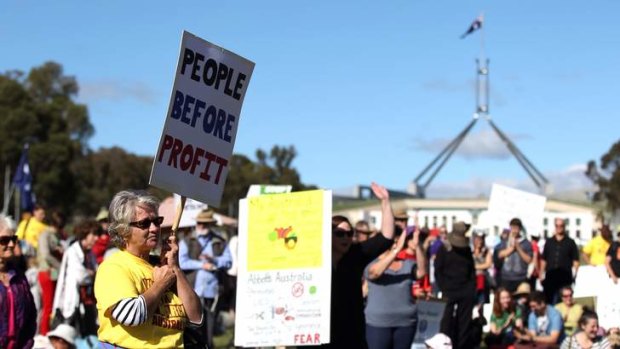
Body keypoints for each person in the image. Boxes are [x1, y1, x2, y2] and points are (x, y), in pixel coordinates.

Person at [94, 190, 202, 348]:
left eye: (157, 221)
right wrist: (161, 284)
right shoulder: (114, 267)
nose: (154, 228)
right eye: (144, 223)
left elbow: (196, 317)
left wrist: (175, 268)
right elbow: (131, 316)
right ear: (123, 230)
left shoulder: (163, 266)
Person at [307, 182, 394, 349]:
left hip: (352, 334)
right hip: (320, 334)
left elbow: (386, 237)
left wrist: (385, 201)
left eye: (349, 233)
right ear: (327, 235)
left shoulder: (356, 254)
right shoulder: (313, 257)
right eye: (339, 234)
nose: (345, 238)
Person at [364, 224, 426, 349]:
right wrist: (396, 250)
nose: (396, 243)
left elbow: (421, 272)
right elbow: (374, 273)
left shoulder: (407, 264)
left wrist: (417, 245)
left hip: (406, 323)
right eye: (393, 241)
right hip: (378, 324)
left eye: (398, 241)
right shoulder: (372, 262)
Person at [179, 208, 232, 349]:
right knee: (192, 328)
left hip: (213, 293)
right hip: (191, 291)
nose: (201, 226)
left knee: (210, 327)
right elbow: (182, 262)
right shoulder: (187, 241)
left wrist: (214, 260)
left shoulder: (219, 241)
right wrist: (203, 265)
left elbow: (228, 262)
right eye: (200, 223)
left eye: (205, 224)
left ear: (210, 225)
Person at [435, 221, 476, 349]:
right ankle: (445, 345)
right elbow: (438, 270)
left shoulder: (466, 249)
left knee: (464, 321)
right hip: (449, 289)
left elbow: (471, 269)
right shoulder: (444, 248)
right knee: (446, 321)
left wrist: (471, 287)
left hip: (465, 289)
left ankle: (462, 346)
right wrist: (443, 287)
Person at [0, 213, 37, 349]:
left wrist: (27, 344)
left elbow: (31, 315)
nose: (11, 244)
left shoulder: (19, 277)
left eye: (13, 239)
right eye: (4, 240)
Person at [37, 211, 65, 335]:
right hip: (46, 273)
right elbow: (46, 255)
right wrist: (60, 266)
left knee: (52, 305)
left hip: (54, 274)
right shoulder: (45, 235)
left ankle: (49, 331)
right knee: (47, 306)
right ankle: (44, 333)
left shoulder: (55, 235)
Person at [540, 218, 580, 304]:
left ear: (564, 227)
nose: (559, 228)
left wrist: (574, 275)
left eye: (561, 226)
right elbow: (544, 259)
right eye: (557, 226)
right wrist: (541, 274)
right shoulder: (549, 242)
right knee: (549, 301)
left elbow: (575, 261)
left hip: (565, 278)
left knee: (563, 302)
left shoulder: (570, 242)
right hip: (550, 278)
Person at [496, 218, 533, 293]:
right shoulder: (505, 241)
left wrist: (518, 248)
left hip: (520, 277)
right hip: (506, 277)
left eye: (516, 228)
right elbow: (500, 255)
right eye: (513, 228)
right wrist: (511, 248)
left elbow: (529, 260)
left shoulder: (526, 243)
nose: (515, 230)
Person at [473, 230, 493, 309]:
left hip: (482, 280)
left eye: (481, 239)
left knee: (481, 302)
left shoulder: (486, 251)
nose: (479, 242)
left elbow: (488, 264)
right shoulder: (471, 251)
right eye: (477, 239)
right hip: (472, 280)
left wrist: (475, 266)